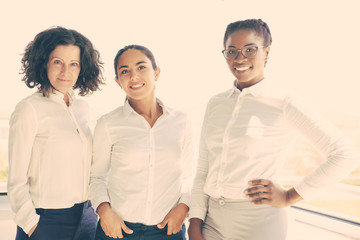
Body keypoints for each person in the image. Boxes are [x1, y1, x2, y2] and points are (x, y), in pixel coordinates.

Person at [188, 19, 360, 240]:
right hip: (211, 221)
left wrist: (289, 196)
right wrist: (195, 223)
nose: (239, 58)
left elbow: (344, 154)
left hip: (260, 223)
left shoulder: (283, 102)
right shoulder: (215, 104)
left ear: (266, 52)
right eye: (231, 51)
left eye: (249, 49)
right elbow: (203, 169)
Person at [7, 26, 104, 240]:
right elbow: (16, 181)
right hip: (46, 221)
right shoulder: (29, 109)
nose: (65, 72)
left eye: (74, 64)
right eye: (57, 62)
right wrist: (33, 226)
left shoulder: (83, 109)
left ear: (82, 68)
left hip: (87, 217)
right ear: (44, 63)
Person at [89, 44, 195, 240]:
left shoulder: (181, 121)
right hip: (117, 230)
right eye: (125, 71)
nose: (134, 76)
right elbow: (96, 177)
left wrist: (183, 208)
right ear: (117, 81)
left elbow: (191, 176)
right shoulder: (108, 123)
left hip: (168, 231)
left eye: (141, 67)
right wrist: (105, 212)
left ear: (156, 72)